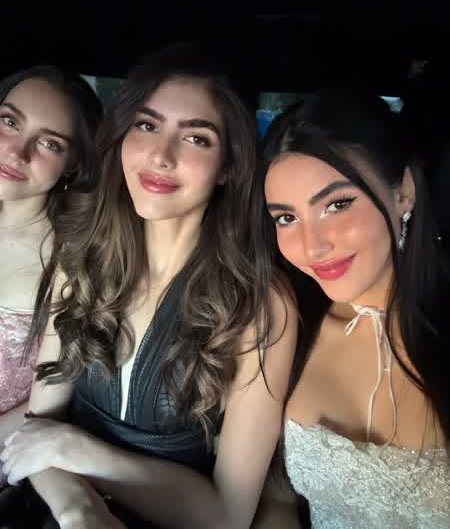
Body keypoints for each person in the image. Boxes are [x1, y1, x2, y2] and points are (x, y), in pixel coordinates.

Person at [1, 44, 297, 528]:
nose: (161, 155)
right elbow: (39, 429)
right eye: (146, 125)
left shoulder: (260, 305)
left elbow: (227, 516)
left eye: (196, 138)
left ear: (228, 165)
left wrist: (78, 449)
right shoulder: (82, 258)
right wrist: (78, 507)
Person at [259, 89, 449, 528]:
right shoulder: (290, 328)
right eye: (286, 218)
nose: (312, 246)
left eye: (336, 205)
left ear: (403, 193)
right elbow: (278, 499)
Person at [0, 66, 101, 486]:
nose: (17, 152)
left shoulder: (72, 263)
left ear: (73, 162)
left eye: (49, 143)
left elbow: (43, 414)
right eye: (9, 122)